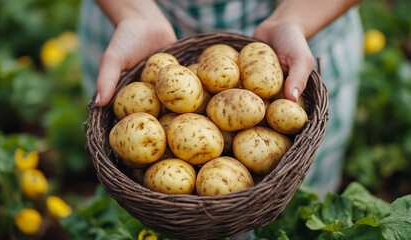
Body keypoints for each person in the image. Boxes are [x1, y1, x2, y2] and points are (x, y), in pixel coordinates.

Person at [79, 0, 363, 207]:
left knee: (302, 204)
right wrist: (133, 14)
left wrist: (295, 20)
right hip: (133, 20)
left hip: (308, 17)